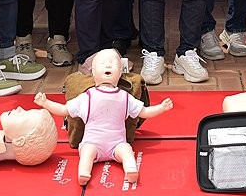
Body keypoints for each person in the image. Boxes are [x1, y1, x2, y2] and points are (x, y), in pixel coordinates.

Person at [35, 48, 174, 186]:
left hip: (117, 144)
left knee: (126, 151)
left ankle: (131, 169)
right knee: (87, 153)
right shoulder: (87, 97)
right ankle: (84, 172)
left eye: (113, 63)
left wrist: (161, 108)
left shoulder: (125, 97)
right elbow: (64, 109)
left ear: (120, 72)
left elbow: (144, 112)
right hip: (92, 142)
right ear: (93, 72)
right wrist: (46, 103)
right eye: (102, 63)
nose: (108, 65)